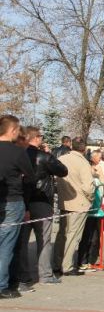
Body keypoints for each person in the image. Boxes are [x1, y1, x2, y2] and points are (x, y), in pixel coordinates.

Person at [14, 127, 68, 287]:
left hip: (23, 200)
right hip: (42, 200)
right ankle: (44, 274)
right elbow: (63, 171)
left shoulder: (19, 154)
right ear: (36, 138)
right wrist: (48, 155)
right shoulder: (43, 156)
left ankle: (23, 276)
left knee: (22, 241)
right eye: (40, 136)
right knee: (44, 239)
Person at [0, 115, 35, 298]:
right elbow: (30, 176)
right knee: (7, 245)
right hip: (13, 200)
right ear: (13, 130)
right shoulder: (17, 152)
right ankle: (2, 286)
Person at [53, 137, 95, 277]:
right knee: (73, 235)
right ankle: (67, 266)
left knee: (61, 234)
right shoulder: (83, 163)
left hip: (64, 201)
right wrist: (91, 198)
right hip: (79, 203)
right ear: (84, 148)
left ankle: (57, 264)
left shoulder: (63, 159)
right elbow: (88, 186)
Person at [76, 151, 104, 269]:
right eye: (94, 169)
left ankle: (89, 260)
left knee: (94, 238)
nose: (96, 170)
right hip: (89, 211)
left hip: (97, 211)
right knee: (86, 238)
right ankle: (82, 261)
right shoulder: (91, 179)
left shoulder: (98, 178)